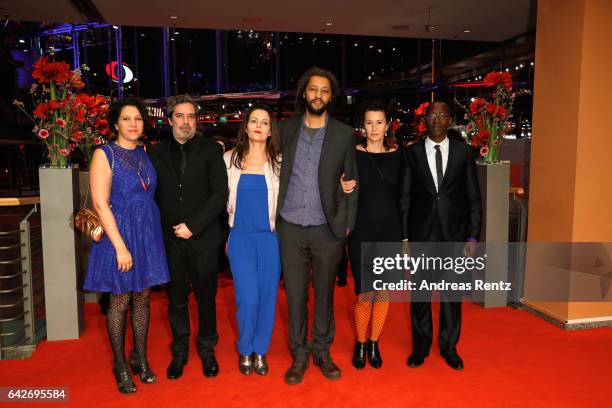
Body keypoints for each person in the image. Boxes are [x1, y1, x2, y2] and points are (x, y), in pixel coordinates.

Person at [277, 67, 358, 385]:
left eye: (324, 91)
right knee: (295, 295)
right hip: (290, 227)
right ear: (304, 93)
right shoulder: (284, 130)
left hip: (328, 228)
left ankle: (322, 350)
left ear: (331, 97)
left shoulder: (343, 134)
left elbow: (352, 180)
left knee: (324, 295)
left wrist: (347, 224)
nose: (318, 95)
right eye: (313, 89)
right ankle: (299, 354)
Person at [84, 98, 170, 394]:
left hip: (147, 233)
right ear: (116, 123)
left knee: (143, 298)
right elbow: (99, 202)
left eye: (138, 119)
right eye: (126, 118)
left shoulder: (145, 153)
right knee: (120, 300)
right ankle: (120, 365)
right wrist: (120, 246)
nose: (133, 123)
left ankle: (140, 358)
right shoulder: (104, 154)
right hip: (118, 232)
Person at [148, 95, 228, 380]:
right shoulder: (155, 153)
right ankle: (179, 350)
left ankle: (207, 349)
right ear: (170, 120)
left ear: (197, 119)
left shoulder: (210, 150)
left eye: (191, 116)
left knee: (207, 299)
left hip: (204, 238)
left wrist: (193, 226)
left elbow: (220, 195)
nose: (186, 122)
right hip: (170, 241)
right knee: (176, 300)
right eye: (180, 116)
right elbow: (151, 196)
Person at [403, 101, 482, 371]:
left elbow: (473, 197)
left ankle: (449, 347)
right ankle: (421, 347)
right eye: (432, 115)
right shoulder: (411, 154)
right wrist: (404, 239)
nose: (436, 119)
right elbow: (405, 199)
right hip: (420, 236)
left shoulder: (464, 153)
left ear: (449, 119)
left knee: (451, 295)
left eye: (442, 115)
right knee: (420, 295)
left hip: (454, 237)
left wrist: (473, 237)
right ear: (425, 119)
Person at [343, 100, 407, 370]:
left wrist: (405, 239)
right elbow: (339, 182)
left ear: (387, 124)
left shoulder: (398, 156)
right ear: (363, 125)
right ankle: (359, 341)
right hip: (361, 231)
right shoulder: (353, 155)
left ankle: (374, 341)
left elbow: (404, 199)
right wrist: (341, 185)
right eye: (369, 122)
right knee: (364, 292)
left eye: (379, 122)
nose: (374, 128)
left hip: (390, 232)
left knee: (383, 291)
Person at [223, 104, 282, 376]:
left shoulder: (279, 164)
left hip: (270, 240)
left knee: (268, 298)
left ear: (270, 131)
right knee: (247, 298)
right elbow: (218, 200)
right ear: (246, 127)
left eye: (265, 122)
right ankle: (245, 348)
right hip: (241, 239)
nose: (259, 125)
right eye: (254, 121)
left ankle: (261, 350)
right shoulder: (229, 160)